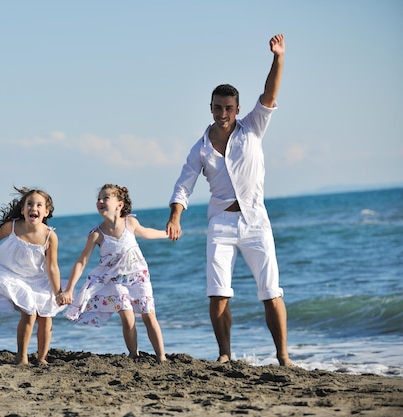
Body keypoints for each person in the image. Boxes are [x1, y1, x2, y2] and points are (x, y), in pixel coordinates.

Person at [165, 34, 292, 366]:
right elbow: (184, 185)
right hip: (221, 223)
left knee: (271, 291)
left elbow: (270, 94)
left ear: (237, 109)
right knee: (218, 294)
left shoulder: (252, 127)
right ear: (211, 108)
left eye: (229, 108)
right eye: (218, 108)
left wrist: (277, 58)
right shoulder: (200, 147)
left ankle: (283, 356)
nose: (223, 113)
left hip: (256, 221)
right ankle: (224, 354)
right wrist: (176, 216)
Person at [59, 184, 168, 363]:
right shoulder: (96, 234)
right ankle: (134, 355)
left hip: (139, 277)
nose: (100, 201)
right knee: (127, 316)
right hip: (115, 281)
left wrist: (167, 234)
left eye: (105, 198)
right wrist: (70, 289)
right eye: (99, 199)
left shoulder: (130, 223)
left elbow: (147, 233)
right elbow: (82, 262)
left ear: (119, 204)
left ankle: (161, 357)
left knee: (149, 314)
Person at [0, 187, 64, 365]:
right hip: (13, 277)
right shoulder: (13, 227)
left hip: (38, 280)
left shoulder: (50, 236)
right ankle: (22, 356)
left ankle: (42, 358)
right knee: (29, 312)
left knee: (46, 315)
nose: (33, 208)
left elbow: (52, 267)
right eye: (29, 204)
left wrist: (58, 291)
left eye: (38, 205)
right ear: (22, 209)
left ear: (46, 212)